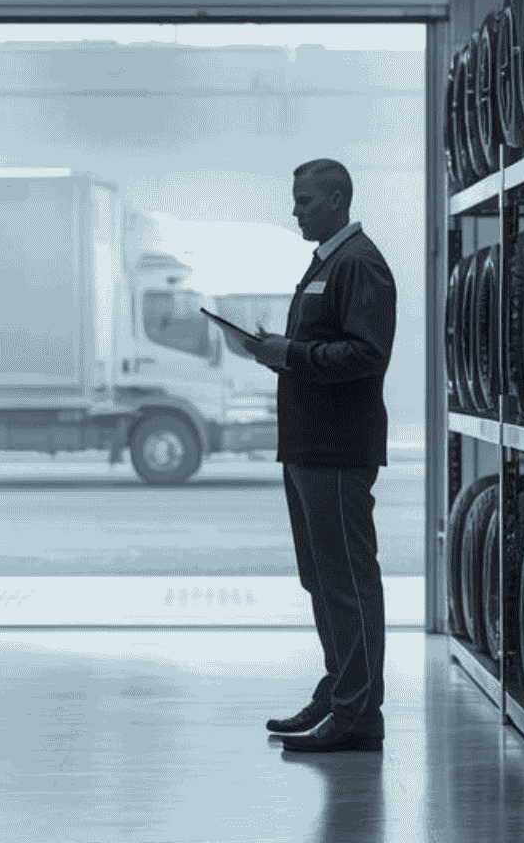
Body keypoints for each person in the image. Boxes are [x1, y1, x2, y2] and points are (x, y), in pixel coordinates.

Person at [225, 158, 396, 753]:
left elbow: (366, 355)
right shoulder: (327, 261)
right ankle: (340, 692)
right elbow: (322, 349)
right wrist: (275, 351)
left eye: (304, 201)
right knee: (322, 579)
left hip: (336, 449)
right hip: (309, 446)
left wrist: (289, 353)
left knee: (347, 580)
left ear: (337, 199)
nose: (294, 211)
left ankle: (358, 716)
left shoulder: (359, 264)